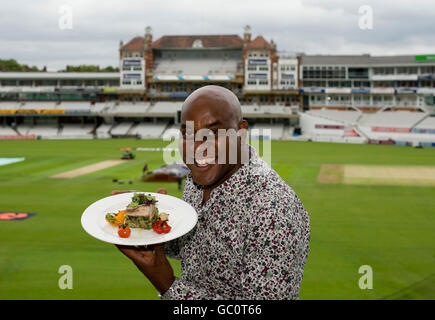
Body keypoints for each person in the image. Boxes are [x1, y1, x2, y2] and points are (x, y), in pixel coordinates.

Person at [112, 85, 310, 299]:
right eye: (188, 133)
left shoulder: (273, 210)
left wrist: (167, 285)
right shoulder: (202, 176)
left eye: (213, 132)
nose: (197, 147)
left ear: (241, 133)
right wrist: (151, 221)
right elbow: (195, 248)